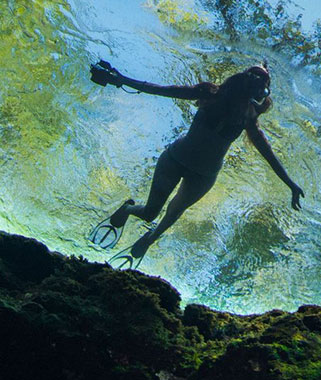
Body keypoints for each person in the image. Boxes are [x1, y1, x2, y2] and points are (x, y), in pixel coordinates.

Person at [88, 59, 305, 263]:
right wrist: (119, 79)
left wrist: (291, 184)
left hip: (203, 176)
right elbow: (163, 90)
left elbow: (269, 155)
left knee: (173, 213)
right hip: (174, 159)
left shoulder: (248, 118)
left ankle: (148, 239)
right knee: (150, 213)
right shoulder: (210, 93)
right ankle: (127, 210)